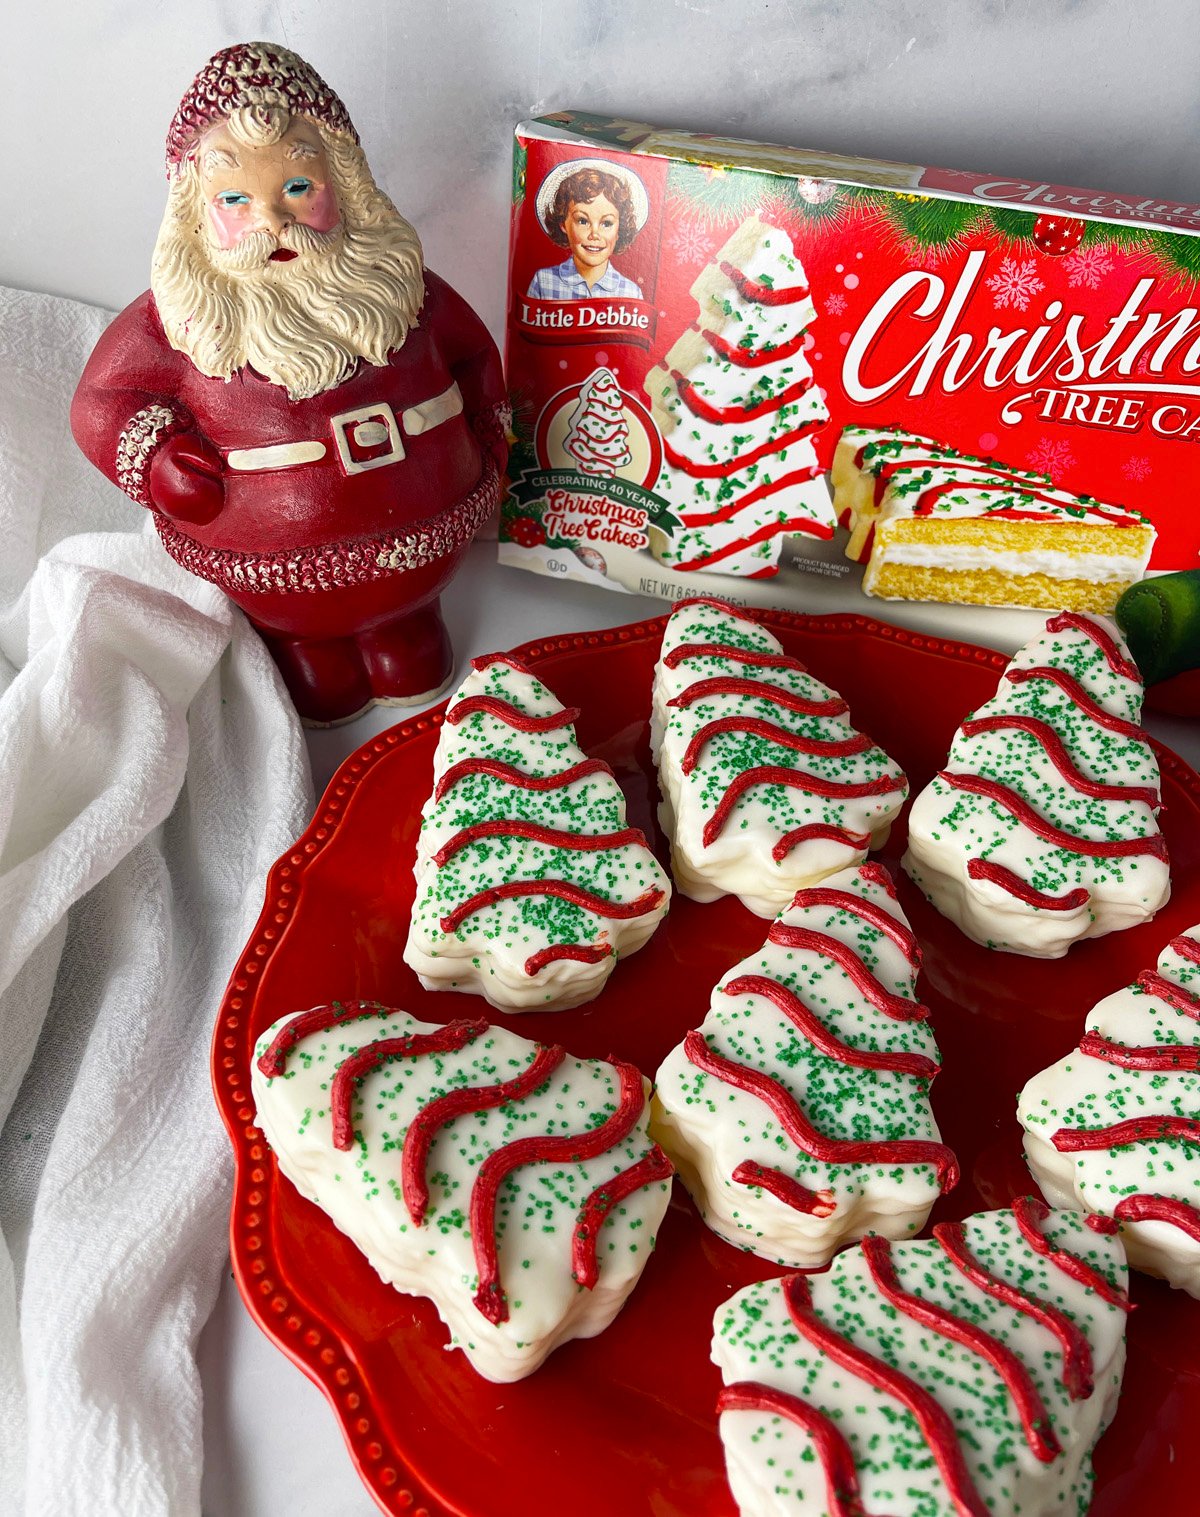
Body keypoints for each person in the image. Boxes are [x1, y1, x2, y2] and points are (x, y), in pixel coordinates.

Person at [72, 42, 508, 724]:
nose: (271, 222)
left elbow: (477, 355)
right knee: (321, 673)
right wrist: (158, 462)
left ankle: (406, 628)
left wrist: (490, 427)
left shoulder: (401, 288)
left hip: (428, 549)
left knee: (412, 652)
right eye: (236, 200)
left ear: (348, 185)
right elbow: (102, 404)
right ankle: (307, 649)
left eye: (298, 189)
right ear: (194, 211)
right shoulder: (183, 319)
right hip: (277, 581)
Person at [528, 161, 648, 300]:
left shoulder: (630, 293)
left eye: (607, 223)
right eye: (583, 221)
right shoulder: (543, 282)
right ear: (563, 224)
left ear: (619, 229)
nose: (594, 234)